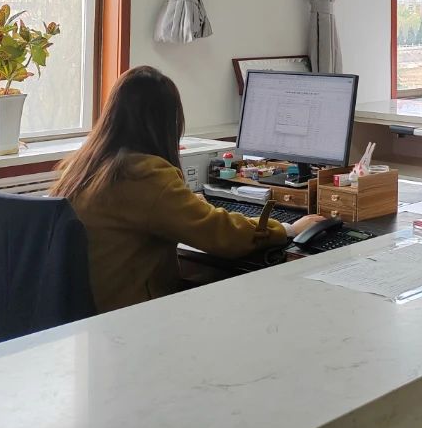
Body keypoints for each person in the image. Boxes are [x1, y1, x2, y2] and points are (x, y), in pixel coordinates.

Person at [50, 66, 327, 312]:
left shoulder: (84, 166)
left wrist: (186, 205)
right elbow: (220, 234)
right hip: (127, 316)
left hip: (87, 313)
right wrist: (289, 228)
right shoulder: (143, 174)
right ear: (165, 122)